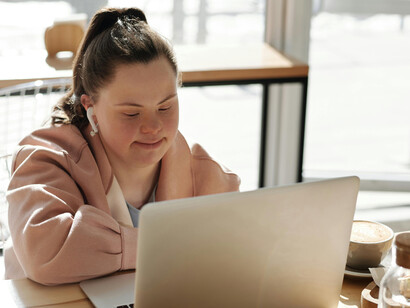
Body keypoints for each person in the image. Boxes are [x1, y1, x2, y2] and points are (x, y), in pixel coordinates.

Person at [4, 7, 240, 285]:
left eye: (165, 107)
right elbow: (45, 254)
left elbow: (235, 251)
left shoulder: (205, 173)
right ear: (90, 107)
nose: (153, 127)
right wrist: (168, 246)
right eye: (131, 113)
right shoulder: (46, 159)